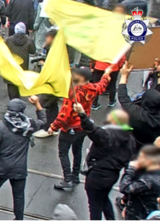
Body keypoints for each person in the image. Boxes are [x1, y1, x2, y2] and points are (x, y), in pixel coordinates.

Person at [48, 66, 112, 191]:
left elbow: (65, 114)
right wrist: (106, 75)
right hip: (83, 125)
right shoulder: (92, 88)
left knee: (63, 153)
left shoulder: (74, 92)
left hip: (70, 128)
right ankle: (75, 176)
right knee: (77, 150)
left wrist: (54, 126)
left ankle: (67, 179)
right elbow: (101, 86)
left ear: (81, 77)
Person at [73, 103, 135, 221]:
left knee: (94, 206)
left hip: (97, 176)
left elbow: (92, 129)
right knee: (104, 198)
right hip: (112, 176)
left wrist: (82, 114)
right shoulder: (130, 139)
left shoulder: (108, 135)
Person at [0, 96, 46, 221]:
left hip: (2, 168)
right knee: (19, 197)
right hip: (19, 169)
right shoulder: (29, 125)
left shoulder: (1, 126)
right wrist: (37, 103)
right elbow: (43, 120)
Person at [118, 61, 160, 151]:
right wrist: (156, 74)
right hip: (152, 147)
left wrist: (124, 75)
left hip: (135, 143)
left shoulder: (137, 114)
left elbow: (123, 97)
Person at [120, 145, 160, 221]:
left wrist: (131, 169)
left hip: (139, 215)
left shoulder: (148, 180)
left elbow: (124, 188)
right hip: (146, 209)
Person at [33, 28, 59, 138]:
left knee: (42, 104)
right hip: (54, 82)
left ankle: (46, 127)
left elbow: (53, 67)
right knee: (52, 105)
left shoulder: (56, 51)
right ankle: (53, 127)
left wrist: (44, 64)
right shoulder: (55, 49)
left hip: (52, 82)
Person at [5, 22, 36, 100]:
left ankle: (13, 104)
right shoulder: (29, 40)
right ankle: (18, 103)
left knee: (12, 88)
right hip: (22, 68)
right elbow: (33, 51)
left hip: (11, 68)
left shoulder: (9, 40)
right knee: (19, 87)